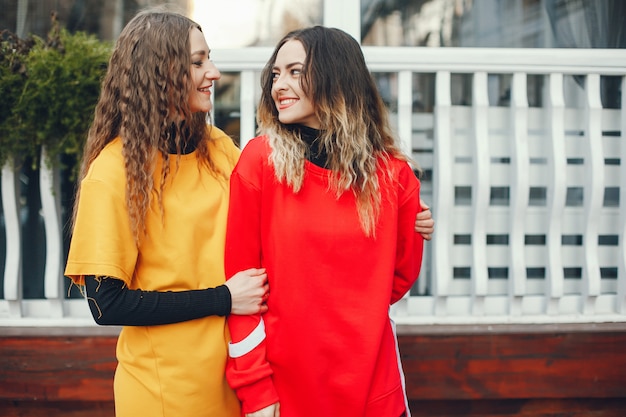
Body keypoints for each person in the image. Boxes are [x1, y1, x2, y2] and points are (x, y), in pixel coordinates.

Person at [64, 10, 269, 417]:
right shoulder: (112, 172)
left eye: (208, 58)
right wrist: (224, 299)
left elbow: (275, 214)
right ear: (158, 72)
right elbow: (107, 305)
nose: (212, 72)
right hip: (163, 395)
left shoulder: (217, 146)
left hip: (234, 384)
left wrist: (397, 212)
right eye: (197, 62)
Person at [224, 26, 425, 417]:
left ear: (336, 75)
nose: (280, 84)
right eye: (276, 74)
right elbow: (242, 290)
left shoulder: (396, 177)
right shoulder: (260, 162)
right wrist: (256, 390)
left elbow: (396, 281)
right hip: (285, 397)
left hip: (373, 393)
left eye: (295, 71)